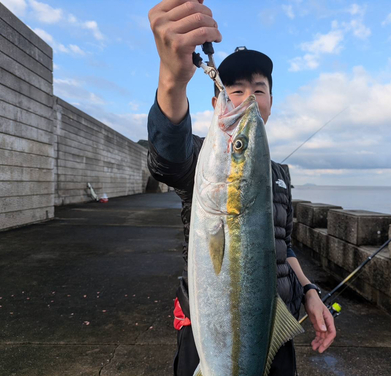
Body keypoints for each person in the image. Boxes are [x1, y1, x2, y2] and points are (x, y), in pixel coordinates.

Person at [147, 1, 336, 375]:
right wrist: (172, 80)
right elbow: (168, 156)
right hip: (212, 330)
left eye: (259, 90)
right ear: (217, 101)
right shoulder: (202, 158)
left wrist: (310, 291)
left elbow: (283, 244)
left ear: (271, 102)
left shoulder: (279, 173)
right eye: (235, 90)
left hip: (274, 327)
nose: (248, 98)